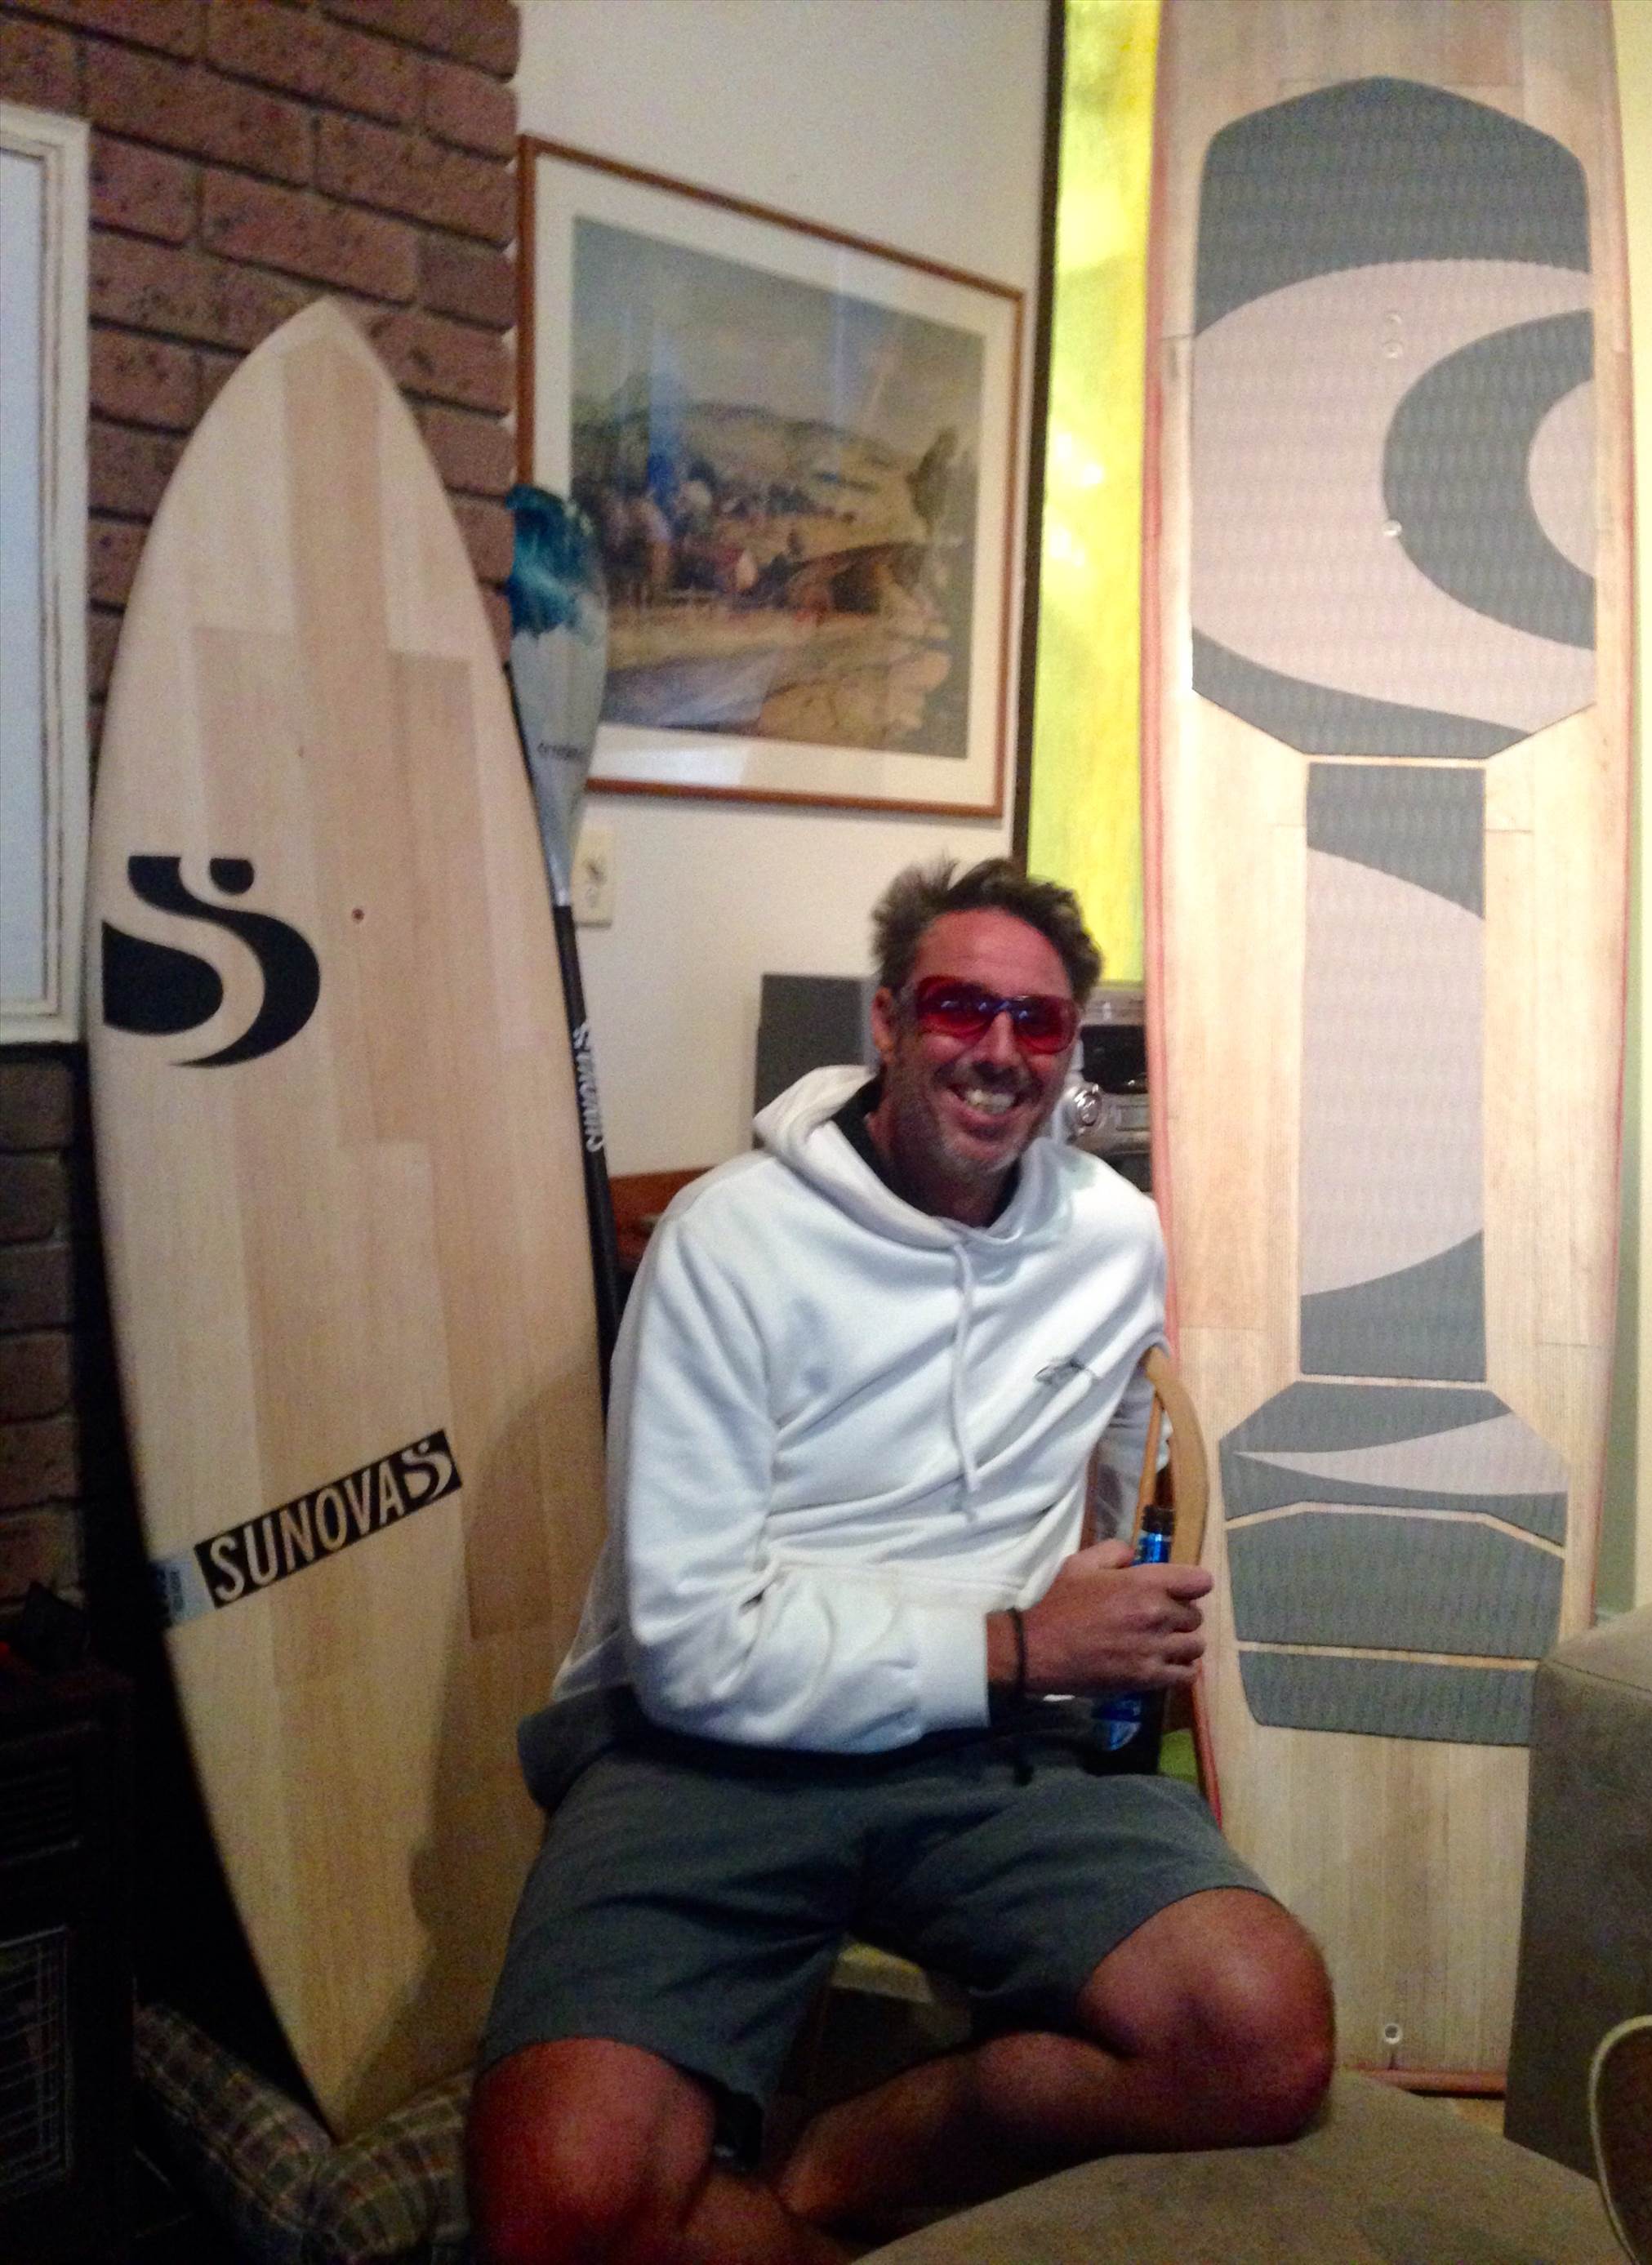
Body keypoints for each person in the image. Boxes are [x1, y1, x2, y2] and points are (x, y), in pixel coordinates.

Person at [469, 858, 1334, 2265]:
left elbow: (1123, 1461)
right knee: (558, 2206)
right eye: (957, 1006)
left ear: (1070, 1049)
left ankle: (838, 2166)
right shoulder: (726, 1243)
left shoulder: (1110, 1234)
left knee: (1261, 2037)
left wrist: (1089, 1638)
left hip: (990, 1751)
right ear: (886, 1019)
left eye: (1038, 1022)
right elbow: (690, 1649)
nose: (999, 1049)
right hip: (708, 1754)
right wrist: (1020, 1641)